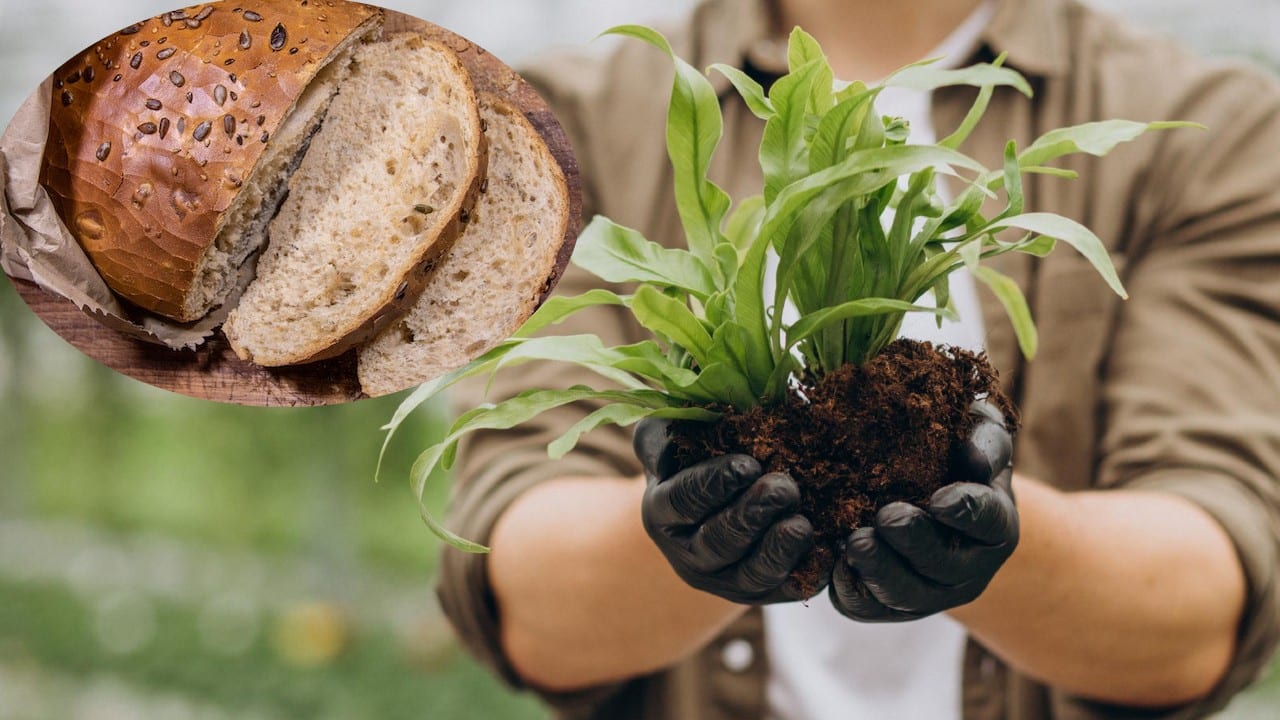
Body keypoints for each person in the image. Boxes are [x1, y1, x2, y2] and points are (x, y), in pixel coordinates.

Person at [436, 0, 1280, 718]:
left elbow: (1200, 605)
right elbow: (528, 599)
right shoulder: (568, 121)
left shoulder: (1207, 130)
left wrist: (988, 528)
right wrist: (692, 522)